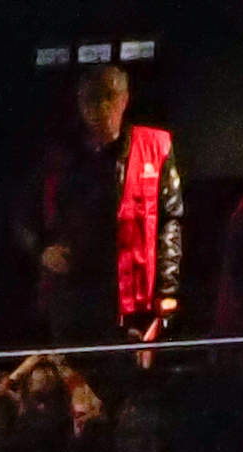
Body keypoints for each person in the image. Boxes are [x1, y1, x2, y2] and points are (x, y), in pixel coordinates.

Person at [22, 60, 181, 348]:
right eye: (89, 100)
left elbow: (172, 219)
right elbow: (21, 215)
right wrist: (41, 249)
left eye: (108, 96)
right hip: (71, 295)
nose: (99, 109)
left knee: (127, 377)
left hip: (130, 295)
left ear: (124, 99)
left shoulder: (153, 147)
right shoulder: (58, 157)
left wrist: (168, 288)